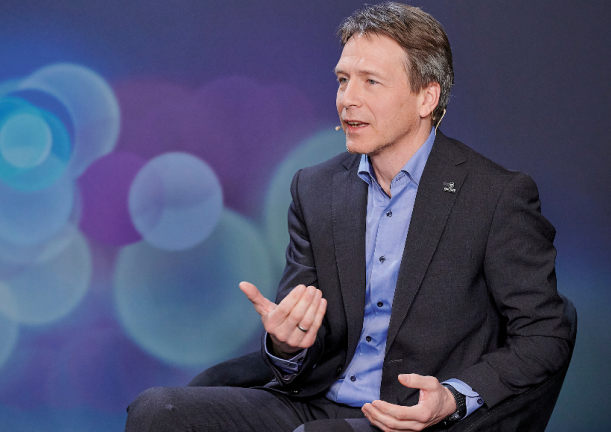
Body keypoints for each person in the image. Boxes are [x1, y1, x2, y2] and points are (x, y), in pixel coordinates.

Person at [125, 3, 573, 431]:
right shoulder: (315, 188)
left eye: (371, 82)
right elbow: (304, 337)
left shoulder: (496, 196)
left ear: (426, 97)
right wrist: (286, 343)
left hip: (405, 417)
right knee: (158, 412)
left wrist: (454, 397)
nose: (347, 99)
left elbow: (545, 334)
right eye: (343, 80)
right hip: (314, 400)